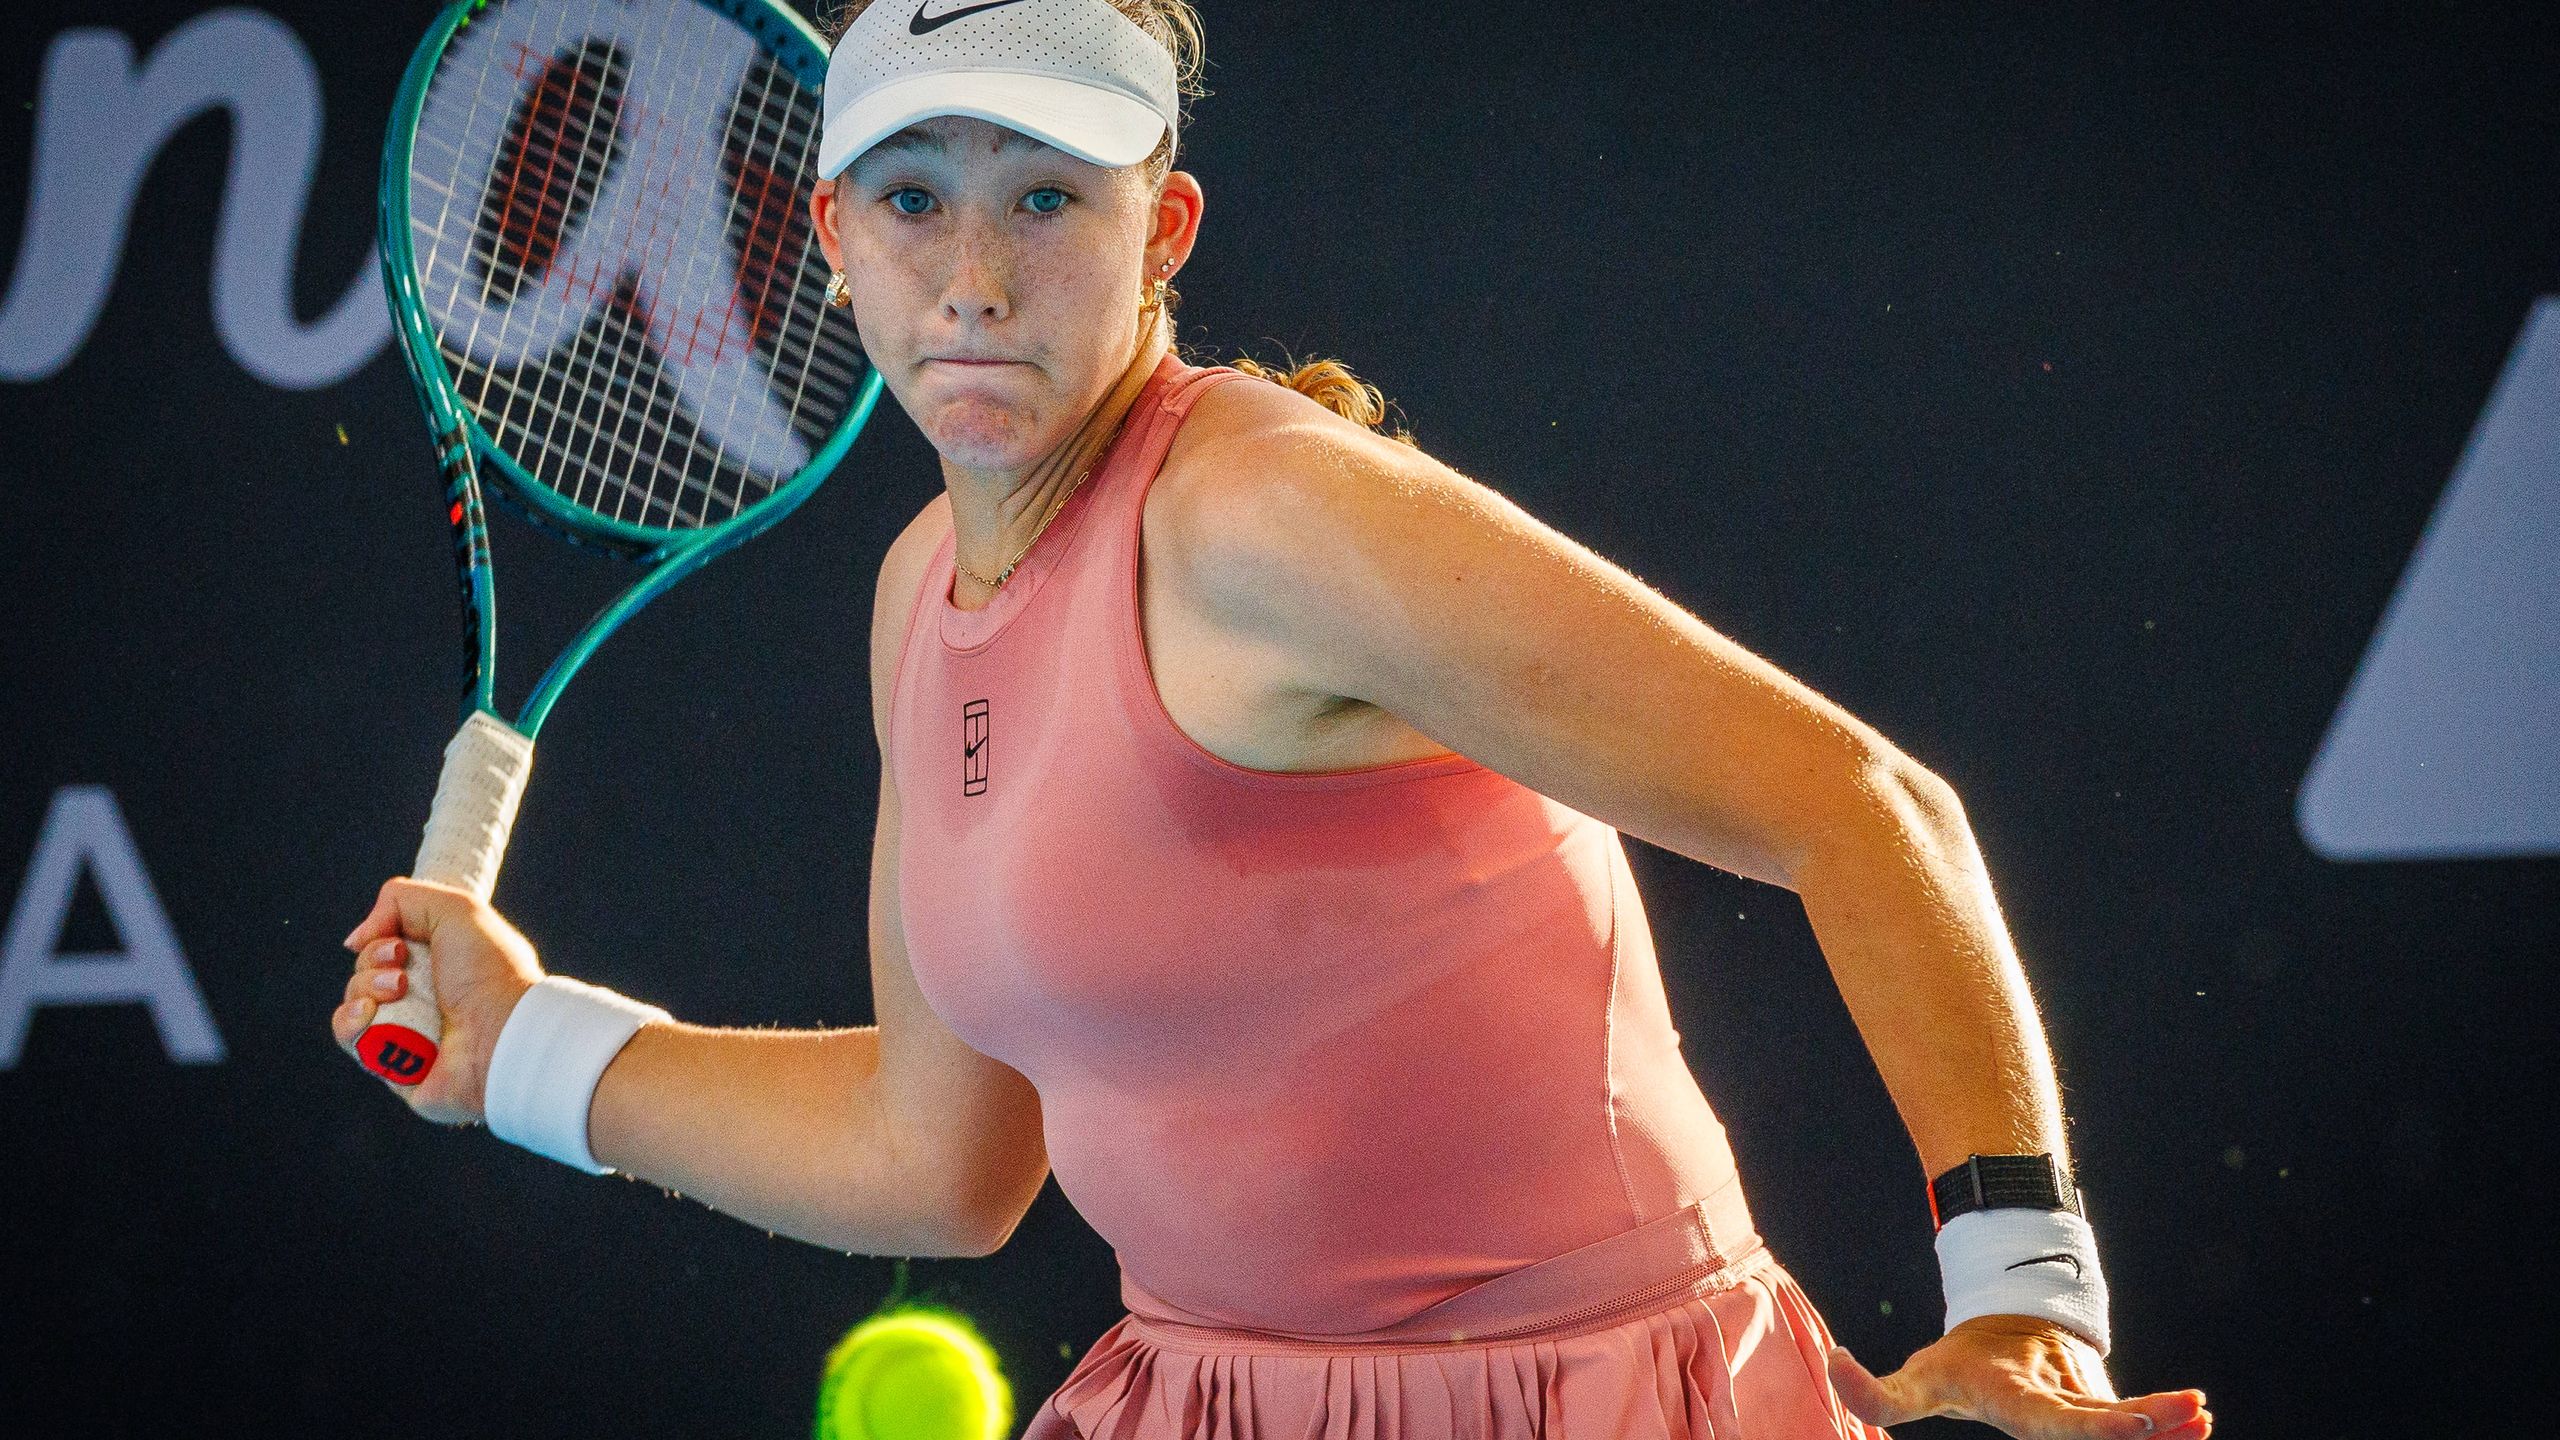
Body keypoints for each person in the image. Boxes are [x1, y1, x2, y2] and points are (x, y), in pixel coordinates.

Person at [335, 2, 2215, 1436]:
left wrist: (2027, 1293)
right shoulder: (922, 594)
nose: (973, 278)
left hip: (1589, 1398)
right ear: (830, 231)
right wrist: (522, 1052)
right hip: (1206, 1394)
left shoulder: (1269, 516)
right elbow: (938, 1161)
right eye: (914, 200)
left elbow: (1865, 808)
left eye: (1048, 200)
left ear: (1163, 228)